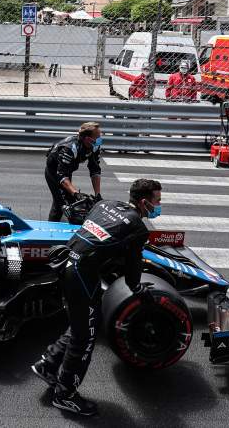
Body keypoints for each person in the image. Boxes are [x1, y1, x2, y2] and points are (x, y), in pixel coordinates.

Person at [32, 178, 160, 417]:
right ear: (144, 203)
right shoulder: (138, 228)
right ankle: (65, 395)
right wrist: (141, 292)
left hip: (65, 262)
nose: (159, 205)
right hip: (82, 275)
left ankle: (48, 365)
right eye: (157, 201)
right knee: (86, 336)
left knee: (83, 323)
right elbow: (133, 277)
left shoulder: (105, 204)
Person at [44, 122, 104, 222]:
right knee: (62, 205)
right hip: (54, 172)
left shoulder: (95, 145)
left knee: (68, 200)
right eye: (97, 137)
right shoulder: (70, 149)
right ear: (88, 139)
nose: (100, 140)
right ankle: (51, 230)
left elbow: (95, 170)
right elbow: (62, 176)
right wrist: (76, 193)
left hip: (67, 170)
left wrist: (98, 194)